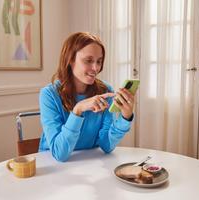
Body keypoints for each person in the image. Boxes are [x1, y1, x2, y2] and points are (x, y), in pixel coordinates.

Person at [39, 32, 136, 162]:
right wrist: (78, 110)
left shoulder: (105, 91)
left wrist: (125, 117)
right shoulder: (49, 95)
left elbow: (107, 145)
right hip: (52, 165)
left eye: (99, 61)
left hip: (90, 163)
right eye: (88, 60)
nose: (95, 68)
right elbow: (59, 153)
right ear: (70, 60)